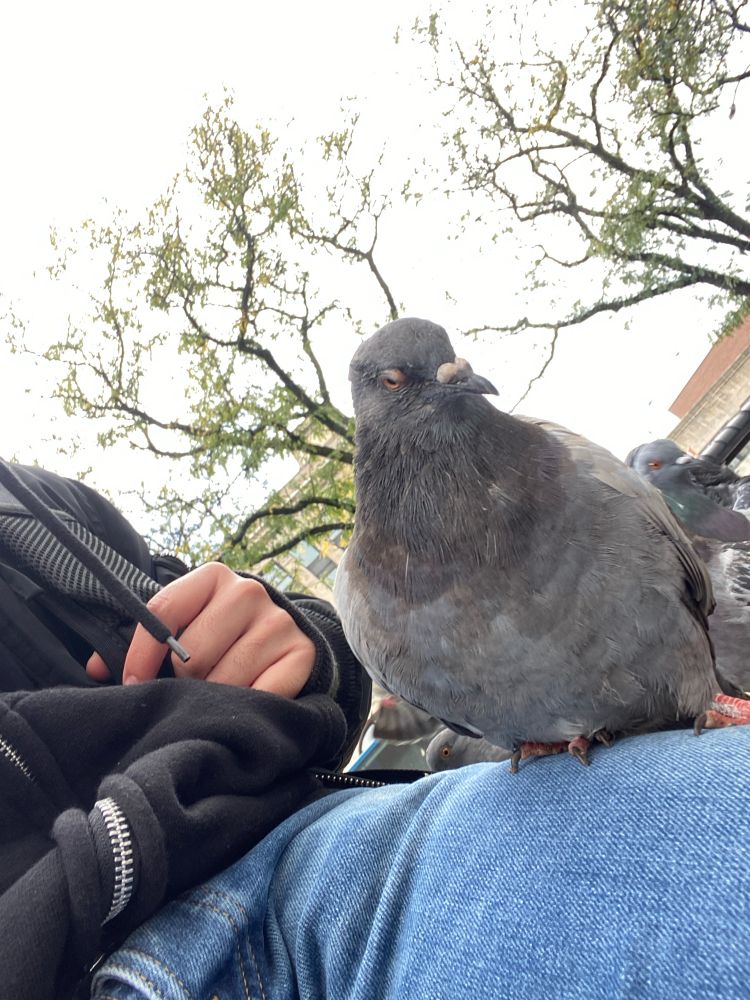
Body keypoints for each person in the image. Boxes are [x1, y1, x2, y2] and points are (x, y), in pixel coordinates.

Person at [3, 461, 750, 1000]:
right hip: (130, 951)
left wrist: (302, 646)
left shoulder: (38, 510)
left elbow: (323, 678)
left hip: (308, 840)